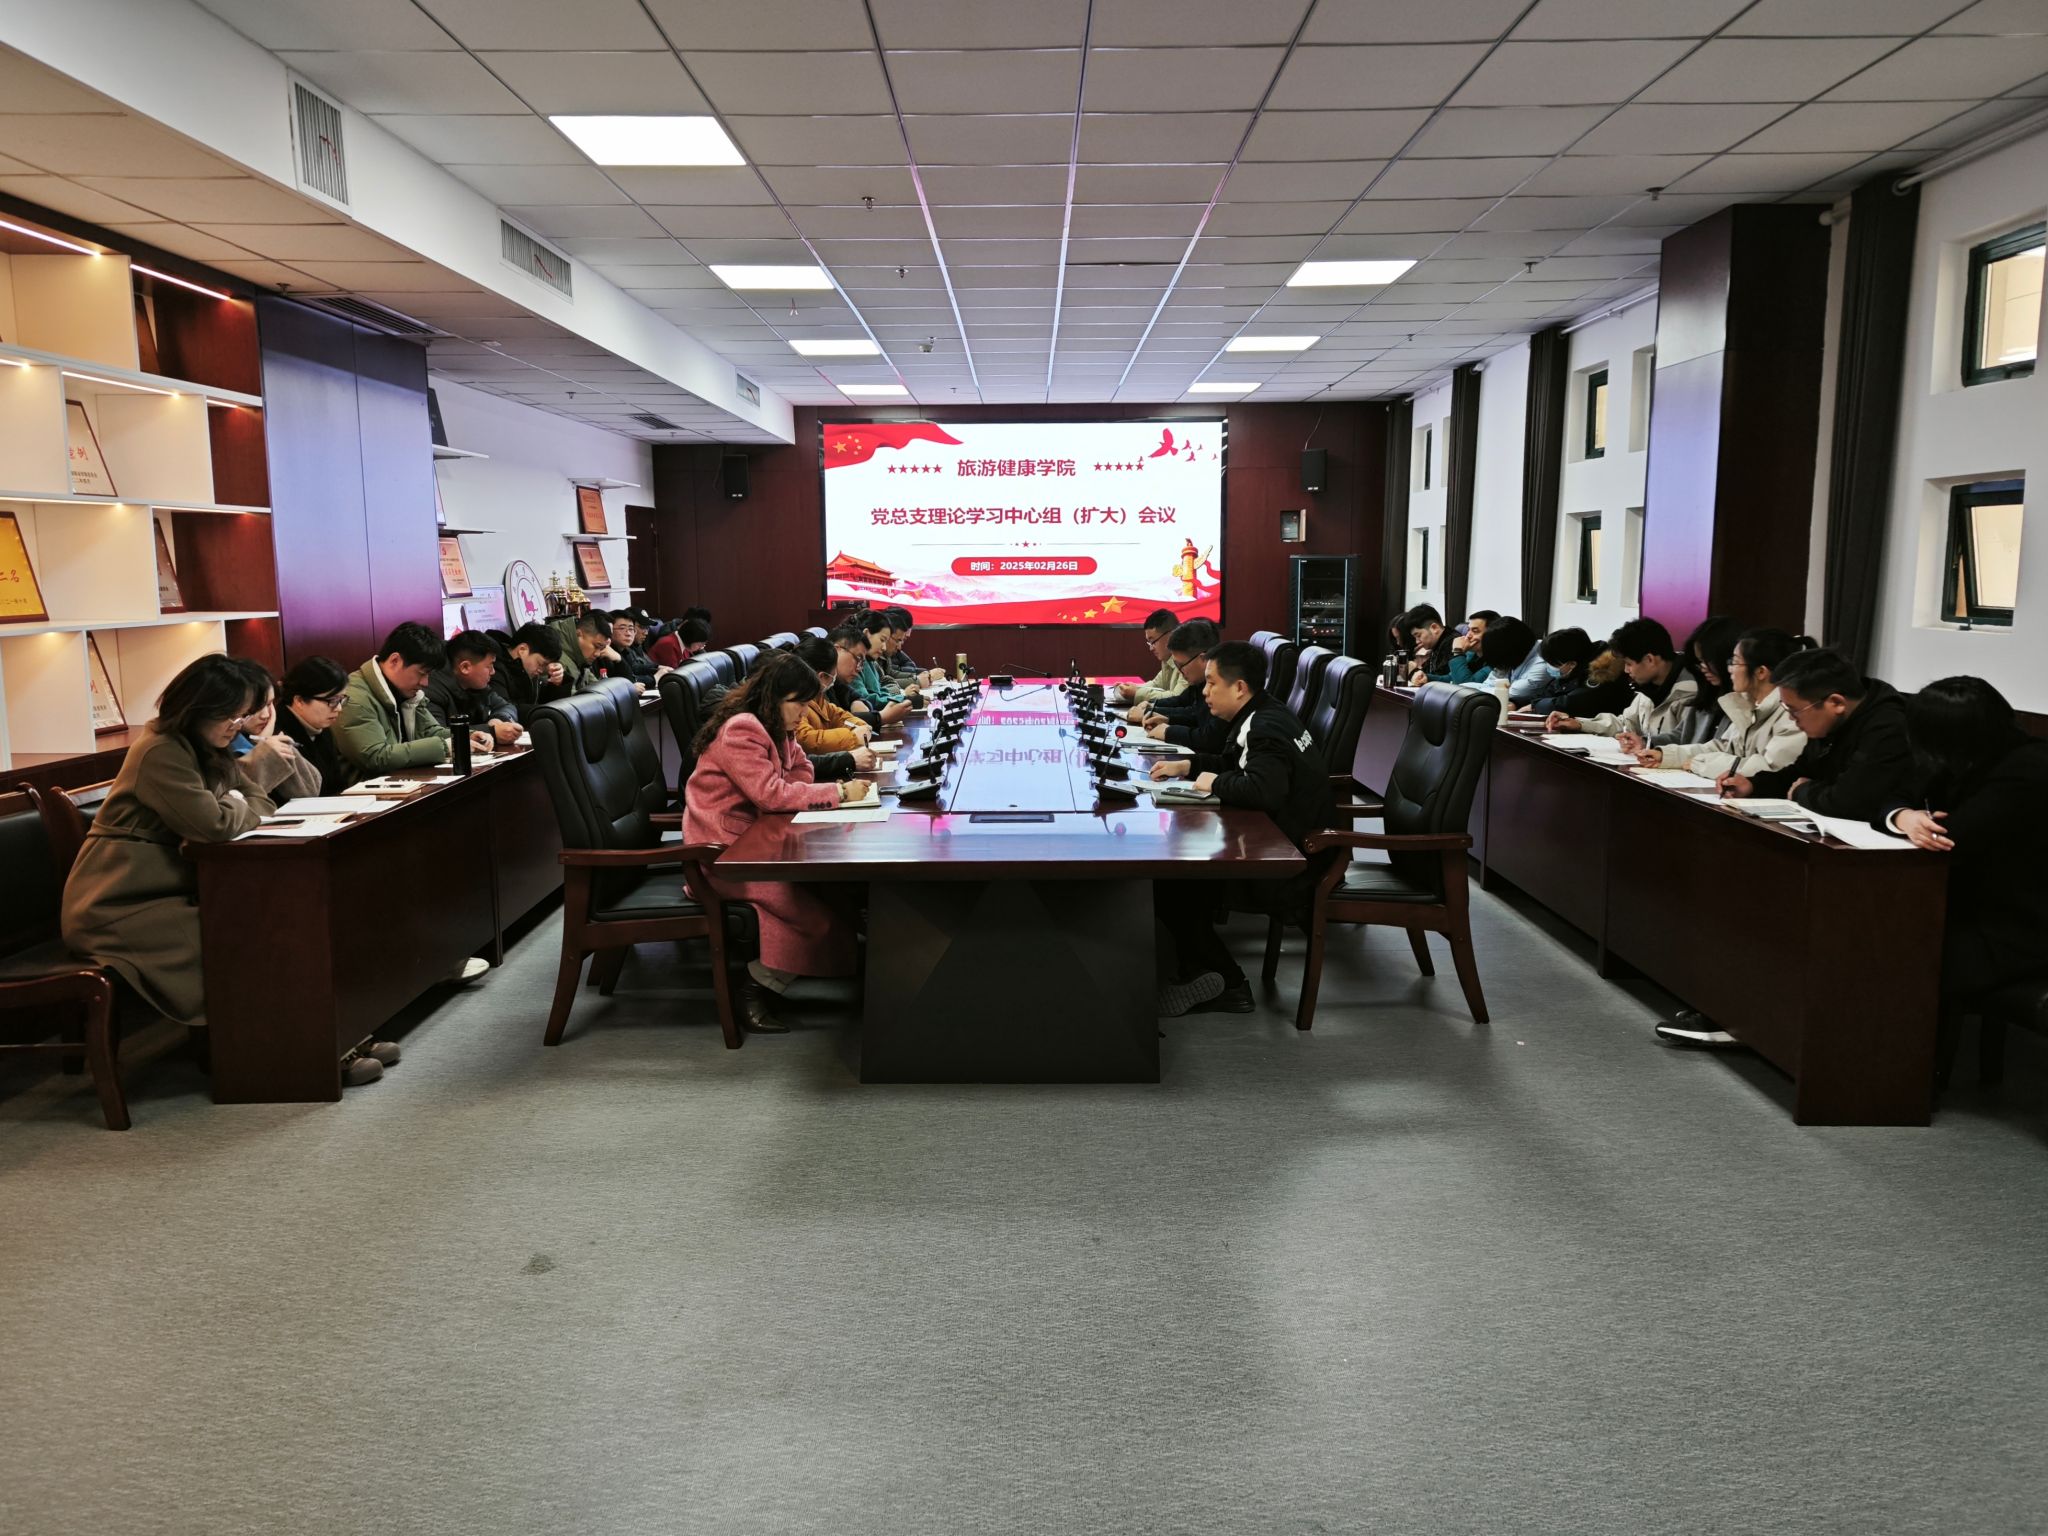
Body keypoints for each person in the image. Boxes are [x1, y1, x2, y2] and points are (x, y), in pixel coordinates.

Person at [61, 655, 304, 1036]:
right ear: (198, 709)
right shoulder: (161, 750)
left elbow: (261, 801)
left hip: (169, 888)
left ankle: (292, 1037)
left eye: (242, 716)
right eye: (231, 716)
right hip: (118, 903)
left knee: (269, 920)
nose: (237, 725)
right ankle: (255, 1045)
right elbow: (213, 825)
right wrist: (233, 803)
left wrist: (232, 803)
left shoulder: (208, 745)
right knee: (239, 933)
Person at [683, 653, 875, 1032]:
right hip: (725, 856)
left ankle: (865, 963)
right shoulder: (743, 729)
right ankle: (754, 988)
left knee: (833, 893)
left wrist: (794, 785)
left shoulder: (774, 726)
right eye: (799, 704)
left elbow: (801, 769)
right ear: (775, 697)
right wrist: (838, 792)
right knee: (811, 914)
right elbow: (772, 794)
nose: (804, 714)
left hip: (756, 843)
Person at [1150, 641, 1336, 1016]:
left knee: (1171, 883)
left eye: (1211, 683)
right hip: (1282, 844)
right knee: (1177, 877)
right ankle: (1197, 969)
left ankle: (1228, 983)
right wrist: (1188, 766)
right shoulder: (1265, 713)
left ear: (1239, 687)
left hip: (1291, 864)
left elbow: (1262, 790)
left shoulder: (1264, 727)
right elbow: (1237, 764)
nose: (1204, 692)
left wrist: (1213, 782)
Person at [1880, 676, 2048, 1004]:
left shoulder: (2029, 768)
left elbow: (1955, 837)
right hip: (1973, 910)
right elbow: (1892, 797)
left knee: (1887, 957)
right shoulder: (1966, 756)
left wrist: (1923, 824)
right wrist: (1904, 817)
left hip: (2021, 926)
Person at [1732, 647, 1916, 817]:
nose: (1791, 718)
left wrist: (1801, 791)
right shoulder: (1830, 722)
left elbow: (1851, 800)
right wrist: (1753, 785)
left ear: (1836, 703)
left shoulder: (1888, 726)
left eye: (1794, 710)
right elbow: (1801, 773)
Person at [1635, 628, 1806, 783]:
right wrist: (1666, 756)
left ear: (1761, 672)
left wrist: (1700, 763)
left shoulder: (1790, 715)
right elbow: (1722, 746)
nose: (1730, 669)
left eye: (1735, 662)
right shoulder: (1746, 704)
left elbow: (1769, 769)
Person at [335, 622, 489, 776]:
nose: (425, 683)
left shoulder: (408, 692)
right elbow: (375, 757)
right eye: (422, 673)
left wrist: (465, 737)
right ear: (395, 661)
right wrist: (445, 746)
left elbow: (429, 731)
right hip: (366, 788)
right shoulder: (354, 698)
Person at [1544, 618, 1698, 749]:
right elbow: (1626, 723)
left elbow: (1687, 743)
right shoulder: (1649, 687)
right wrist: (1580, 724)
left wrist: (1647, 744)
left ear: (1649, 659)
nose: (1625, 670)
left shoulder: (1689, 692)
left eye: (1629, 664)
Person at [793, 634, 879, 779]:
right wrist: (852, 737)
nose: (834, 680)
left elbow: (838, 715)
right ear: (822, 677)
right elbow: (806, 739)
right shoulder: (796, 699)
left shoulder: (818, 695)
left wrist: (858, 725)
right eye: (832, 675)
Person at [272, 655, 353, 798]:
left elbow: (337, 784)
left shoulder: (321, 728)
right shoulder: (278, 735)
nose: (339, 708)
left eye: (341, 700)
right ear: (300, 701)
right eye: (332, 701)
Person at [424, 630, 523, 746]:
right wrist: (491, 731)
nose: (493, 672)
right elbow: (437, 735)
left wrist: (497, 720)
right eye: (489, 666)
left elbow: (506, 706)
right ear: (465, 667)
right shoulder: (432, 690)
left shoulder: (477, 684)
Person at [491, 623, 570, 722]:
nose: (541, 670)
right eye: (541, 664)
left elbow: (547, 703)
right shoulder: (494, 669)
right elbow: (505, 708)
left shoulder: (530, 671)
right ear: (522, 650)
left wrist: (557, 683)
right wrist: (548, 711)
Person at [1113, 609, 1188, 709]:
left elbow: (1177, 698)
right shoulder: (1167, 660)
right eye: (1149, 643)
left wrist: (1136, 693)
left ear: (1171, 635)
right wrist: (1131, 688)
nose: (1151, 648)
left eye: (1153, 641)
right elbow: (1156, 685)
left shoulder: (1187, 659)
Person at [1412, 609, 1496, 686]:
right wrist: (1428, 678)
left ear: (1491, 634)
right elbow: (1451, 678)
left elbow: (1465, 686)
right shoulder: (1471, 654)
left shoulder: (1496, 663)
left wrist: (1458, 652)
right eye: (1468, 630)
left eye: (1475, 631)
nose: (1468, 635)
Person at [609, 609, 659, 686]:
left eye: (631, 629)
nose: (628, 633)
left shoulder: (626, 650)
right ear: (609, 630)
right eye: (622, 628)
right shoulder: (606, 653)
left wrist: (657, 667)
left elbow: (634, 669)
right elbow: (626, 680)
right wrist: (654, 678)